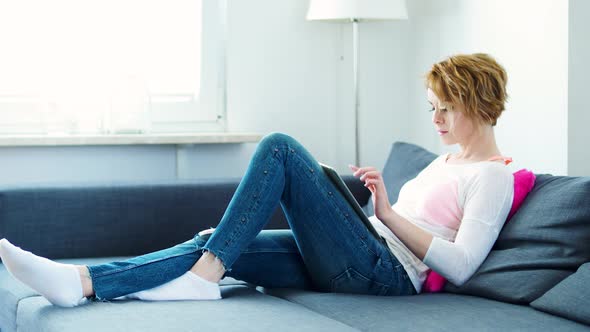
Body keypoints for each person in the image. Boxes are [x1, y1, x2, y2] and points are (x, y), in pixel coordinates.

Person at [0, 53, 514, 307]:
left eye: (446, 108)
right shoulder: (442, 162)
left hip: (384, 274)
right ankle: (81, 282)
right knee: (214, 242)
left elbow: (463, 266)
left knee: (280, 148)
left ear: (479, 102)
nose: (436, 119)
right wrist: (370, 206)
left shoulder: (493, 179)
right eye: (432, 108)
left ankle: (206, 277)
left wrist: (388, 215)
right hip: (361, 251)